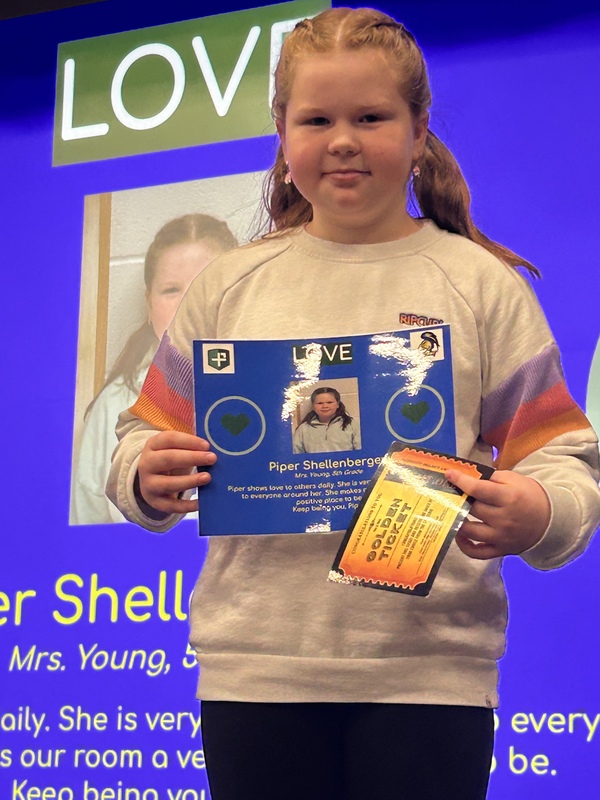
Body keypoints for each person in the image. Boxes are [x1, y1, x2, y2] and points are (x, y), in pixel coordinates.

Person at [106, 8, 600, 800]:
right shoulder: (229, 286)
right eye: (317, 118)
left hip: (428, 674)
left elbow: (564, 459)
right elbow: (139, 438)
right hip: (256, 673)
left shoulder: (478, 285)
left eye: (371, 117)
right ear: (281, 129)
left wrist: (539, 511)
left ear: (418, 128)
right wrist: (144, 476)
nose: (343, 139)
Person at [72, 213, 237, 524]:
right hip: (141, 575)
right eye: (172, 290)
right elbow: (88, 521)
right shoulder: (114, 404)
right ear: (149, 304)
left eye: (204, 285)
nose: (189, 302)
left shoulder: (278, 384)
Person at [293, 386, 360, 453]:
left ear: (338, 404)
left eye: (329, 402)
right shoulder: (303, 429)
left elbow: (362, 454)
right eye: (320, 403)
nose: (325, 406)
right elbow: (296, 457)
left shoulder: (351, 425)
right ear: (313, 406)